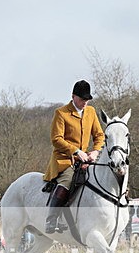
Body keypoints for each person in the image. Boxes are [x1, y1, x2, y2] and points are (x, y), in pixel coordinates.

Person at [43, 80, 105, 233]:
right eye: (82, 99)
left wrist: (96, 151)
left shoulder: (91, 112)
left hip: (85, 159)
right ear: (73, 96)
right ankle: (51, 220)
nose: (85, 102)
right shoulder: (61, 113)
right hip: (64, 160)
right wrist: (76, 151)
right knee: (67, 180)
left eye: (87, 99)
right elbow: (56, 139)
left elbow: (99, 135)